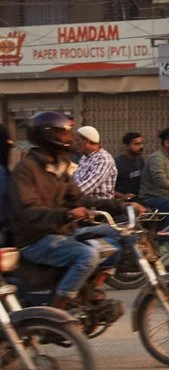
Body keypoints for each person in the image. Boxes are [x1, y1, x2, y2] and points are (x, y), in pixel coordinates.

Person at [7, 112, 124, 303]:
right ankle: (58, 311)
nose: (68, 138)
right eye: (63, 133)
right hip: (34, 239)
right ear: (46, 135)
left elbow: (81, 199)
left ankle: (89, 290)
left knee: (115, 236)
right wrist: (67, 214)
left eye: (68, 133)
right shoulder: (26, 169)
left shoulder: (60, 166)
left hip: (61, 232)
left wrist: (121, 204)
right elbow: (28, 212)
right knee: (86, 255)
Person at [72, 125, 117, 198]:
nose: (75, 144)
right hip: (84, 202)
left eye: (77, 140)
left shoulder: (103, 159)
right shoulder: (84, 157)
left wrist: (67, 196)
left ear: (86, 141)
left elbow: (89, 185)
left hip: (101, 205)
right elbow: (75, 180)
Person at [116, 132, 145, 198]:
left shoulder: (140, 160)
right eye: (136, 144)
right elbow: (109, 188)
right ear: (127, 146)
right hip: (123, 201)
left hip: (140, 198)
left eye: (141, 143)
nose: (141, 146)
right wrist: (124, 196)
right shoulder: (117, 163)